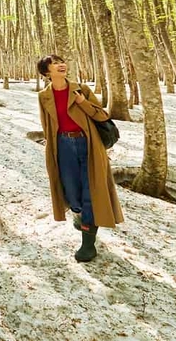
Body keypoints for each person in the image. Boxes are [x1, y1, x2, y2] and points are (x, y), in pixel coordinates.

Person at [36, 54, 124, 262]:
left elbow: (102, 116)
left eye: (62, 62)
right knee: (71, 190)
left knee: (91, 191)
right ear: (47, 72)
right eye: (55, 63)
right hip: (63, 146)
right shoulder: (43, 96)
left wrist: (83, 102)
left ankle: (88, 244)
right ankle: (78, 214)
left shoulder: (81, 89)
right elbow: (46, 125)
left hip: (88, 144)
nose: (61, 65)